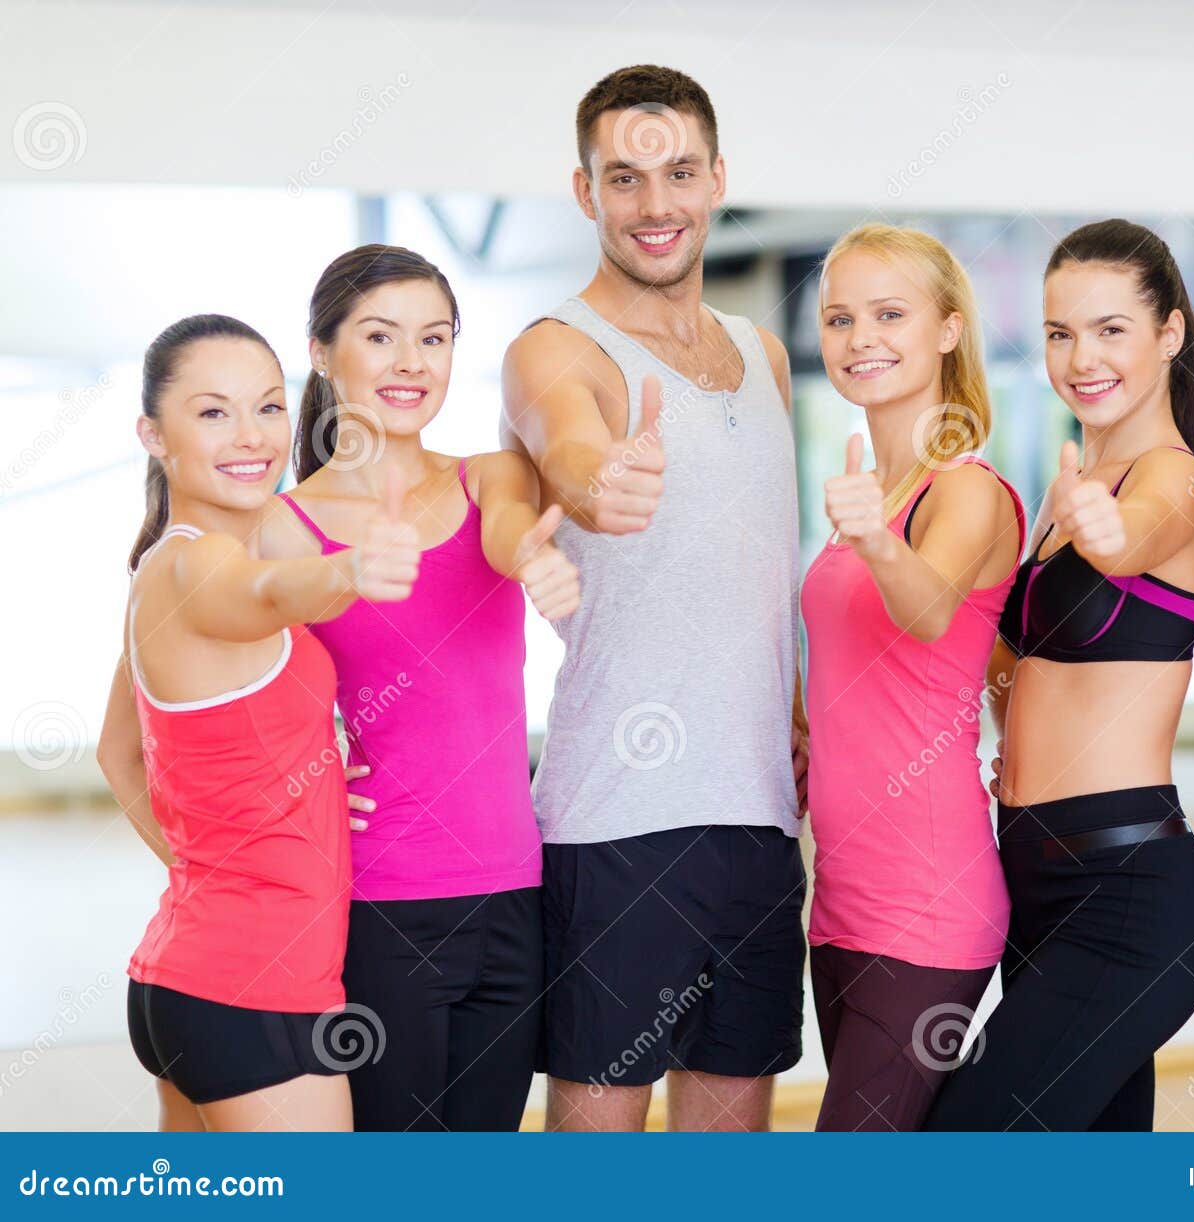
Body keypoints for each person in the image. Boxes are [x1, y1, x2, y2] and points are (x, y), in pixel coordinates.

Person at [501, 64, 806, 1132]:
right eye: (623, 179)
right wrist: (599, 477)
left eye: (678, 172)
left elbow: (767, 576)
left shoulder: (764, 355)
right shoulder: (555, 347)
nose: (655, 204)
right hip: (618, 822)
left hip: (761, 819)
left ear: (718, 177)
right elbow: (569, 438)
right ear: (584, 193)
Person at [256, 245, 579, 1131]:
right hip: (382, 910)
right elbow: (235, 713)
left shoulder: (492, 476)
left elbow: (512, 529)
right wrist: (313, 780)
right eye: (380, 336)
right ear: (322, 351)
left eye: (433, 338)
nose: (411, 363)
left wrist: (535, 559)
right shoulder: (282, 531)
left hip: (517, 897)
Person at [924, 220, 1194, 1132]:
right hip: (1037, 878)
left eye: (1109, 330)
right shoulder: (1073, 496)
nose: (1079, 357)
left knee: (967, 1146)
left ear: (1169, 333)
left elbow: (1133, 539)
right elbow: (1022, 665)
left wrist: (1102, 533)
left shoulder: (1174, 484)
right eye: (1059, 334)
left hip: (1128, 892)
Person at [97, 314, 420, 1131]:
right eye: (212, 412)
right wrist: (351, 569)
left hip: (189, 978)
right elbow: (269, 596)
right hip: (253, 994)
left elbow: (118, 754)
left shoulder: (159, 568)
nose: (251, 435)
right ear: (152, 433)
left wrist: (245, 845)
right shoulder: (202, 564)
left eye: (270, 407)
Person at [802, 224, 1024, 1131]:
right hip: (842, 901)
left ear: (947, 330)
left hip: (929, 903)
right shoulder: (870, 494)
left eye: (890, 314)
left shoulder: (963, 488)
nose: (862, 339)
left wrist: (870, 541)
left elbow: (928, 609)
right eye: (841, 318)